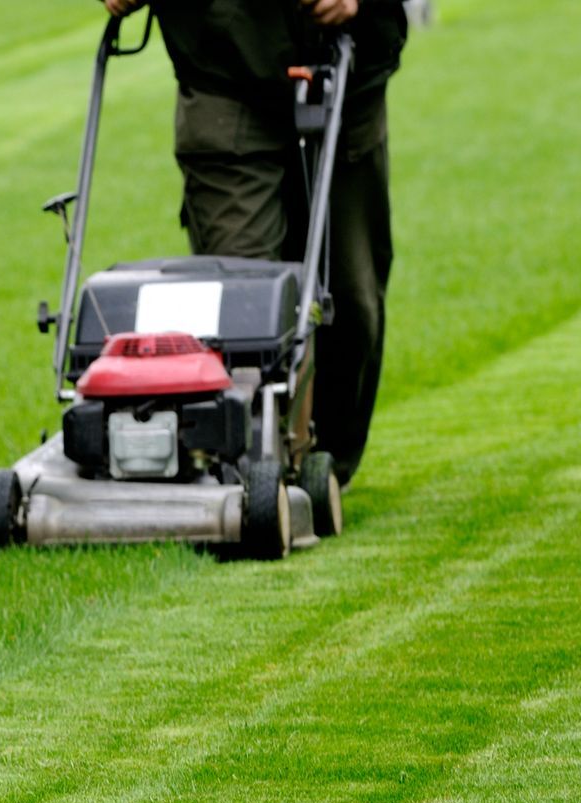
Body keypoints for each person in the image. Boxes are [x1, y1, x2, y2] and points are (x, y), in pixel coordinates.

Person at [102, 0, 408, 485]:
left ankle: (325, 468)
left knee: (353, 303)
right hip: (223, 74)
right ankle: (253, 469)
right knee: (240, 314)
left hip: (348, 73)